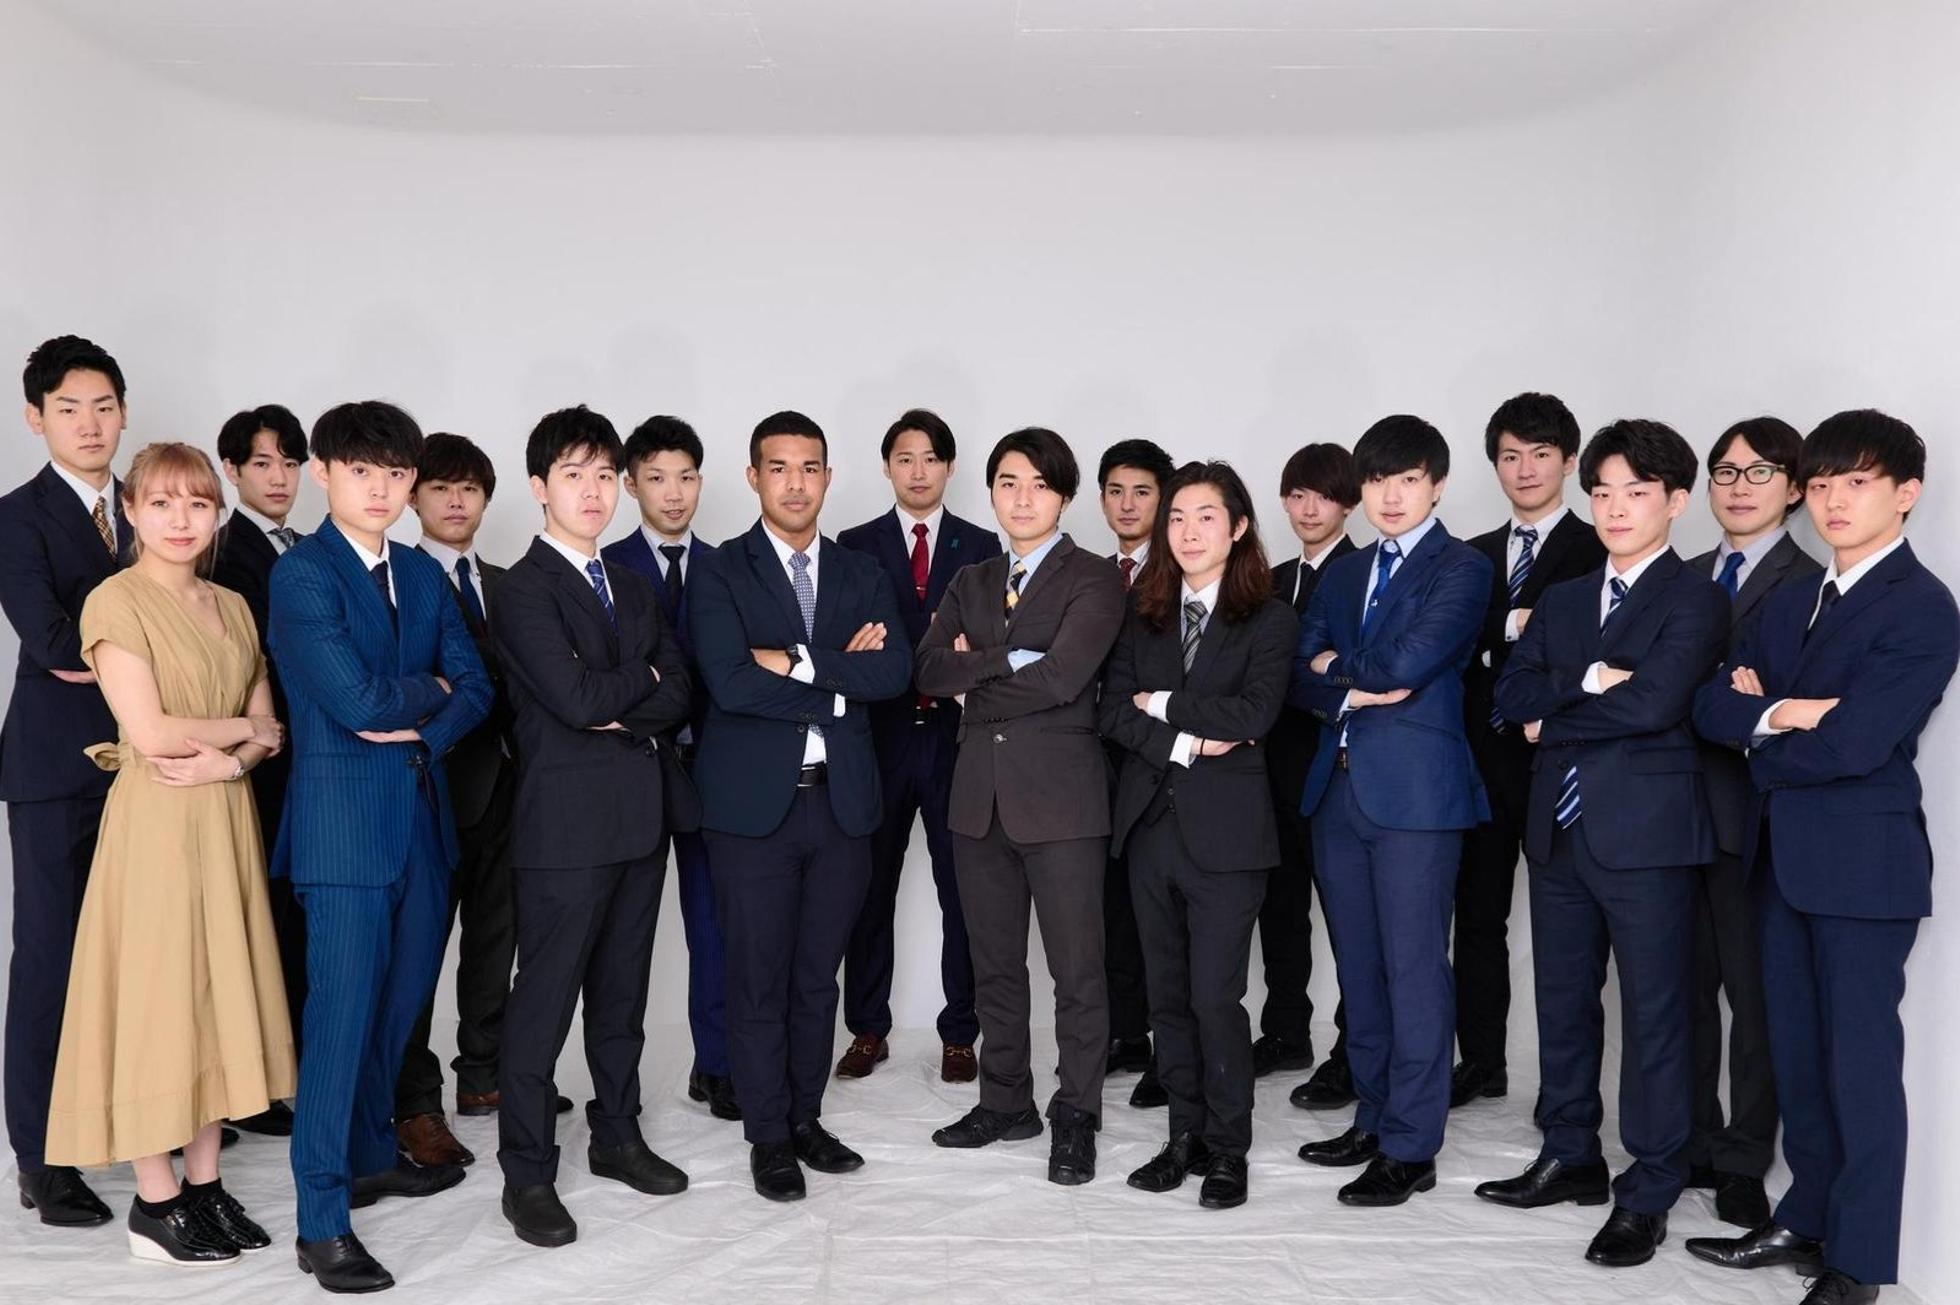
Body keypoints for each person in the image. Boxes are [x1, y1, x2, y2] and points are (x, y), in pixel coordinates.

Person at [1689, 410, 1958, 1305]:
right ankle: (1804, 1218)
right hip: (1782, 859)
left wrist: (1765, 724)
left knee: (1859, 1068)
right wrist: (1788, 712)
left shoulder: (1922, 605)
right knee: (1797, 1057)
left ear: (1906, 493)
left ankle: (1858, 1262)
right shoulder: (1797, 594)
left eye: (1858, 482)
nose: (1834, 500)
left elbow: (1857, 744)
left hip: (1864, 871)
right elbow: (1711, 706)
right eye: (1823, 483)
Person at [1478, 419, 1728, 1269]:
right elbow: (1510, 697)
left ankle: (1650, 1187)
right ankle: (1570, 1152)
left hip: (1649, 836)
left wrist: (1556, 718)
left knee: (1654, 1014)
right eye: (1603, 492)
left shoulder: (1695, 597)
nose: (1615, 508)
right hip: (1559, 829)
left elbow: (1656, 702)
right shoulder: (1563, 597)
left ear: (1676, 501)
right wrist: (1584, 680)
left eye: (1637, 492)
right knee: (1562, 1001)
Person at [44, 441, 294, 1266]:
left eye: (197, 502)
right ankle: (155, 1199)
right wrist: (245, 732)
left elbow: (271, 730)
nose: (180, 519)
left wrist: (235, 759)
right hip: (155, 820)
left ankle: (205, 1183)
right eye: (161, 502)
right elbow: (150, 732)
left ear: (217, 513)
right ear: (131, 511)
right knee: (159, 1002)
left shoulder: (235, 604)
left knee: (216, 995)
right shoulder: (114, 601)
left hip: (221, 811)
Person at [267, 400, 493, 1293]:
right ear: (325, 472)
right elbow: (355, 700)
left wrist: (425, 725)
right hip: (343, 838)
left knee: (397, 1016)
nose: (382, 489)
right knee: (339, 1024)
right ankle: (322, 1221)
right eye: (363, 471)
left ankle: (367, 1156)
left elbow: (475, 685)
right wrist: (426, 689)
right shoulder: (303, 575)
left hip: (422, 826)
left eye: (397, 473)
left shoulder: (423, 572)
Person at [688, 410, 911, 1202]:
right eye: (778, 467)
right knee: (758, 978)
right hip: (753, 813)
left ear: (827, 476)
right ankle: (768, 1135)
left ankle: (806, 1116)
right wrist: (838, 683)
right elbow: (728, 681)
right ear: (754, 477)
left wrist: (793, 661)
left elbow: (894, 672)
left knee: (818, 978)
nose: (795, 482)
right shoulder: (720, 569)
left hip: (841, 807)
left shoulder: (861, 572)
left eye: (810, 467)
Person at [492, 407, 696, 1247]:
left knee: (622, 998)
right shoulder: (520, 588)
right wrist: (634, 681)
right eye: (574, 474)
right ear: (539, 487)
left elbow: (678, 689)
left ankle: (617, 1134)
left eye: (605, 475)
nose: (594, 491)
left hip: (639, 822)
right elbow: (574, 700)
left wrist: (631, 689)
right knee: (542, 1006)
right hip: (563, 831)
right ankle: (527, 1171)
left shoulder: (635, 584)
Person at [916, 428, 1126, 1185]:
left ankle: (1077, 1114)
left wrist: (974, 678)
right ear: (992, 492)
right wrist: (1006, 658)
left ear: (1063, 495)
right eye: (1008, 482)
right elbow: (927, 670)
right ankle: (1006, 1101)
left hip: (1063, 805)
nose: (1023, 497)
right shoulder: (971, 577)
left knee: (1077, 972)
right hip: (979, 802)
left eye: (1039, 484)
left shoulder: (1094, 577)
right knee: (995, 966)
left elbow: (1065, 678)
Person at [1290, 415, 1489, 1208]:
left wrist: (1336, 667)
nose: (1392, 495)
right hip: (1338, 789)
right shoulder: (1344, 573)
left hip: (1416, 796)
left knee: (1413, 969)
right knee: (1360, 969)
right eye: (1377, 481)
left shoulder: (1462, 567)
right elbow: (1296, 672)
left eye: (1408, 479)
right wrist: (1350, 680)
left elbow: (1413, 658)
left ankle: (1411, 1144)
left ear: (1437, 484)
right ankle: (1372, 1117)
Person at [1099, 461, 1295, 1210]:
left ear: (1237, 526)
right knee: (1168, 998)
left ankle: (1228, 1147)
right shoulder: (1142, 611)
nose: (1187, 531)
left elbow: (1253, 715)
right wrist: (1186, 740)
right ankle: (1183, 1135)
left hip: (1229, 839)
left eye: (1205, 516)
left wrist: (1163, 703)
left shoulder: (1269, 618)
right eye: (1177, 516)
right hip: (1151, 827)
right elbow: (1113, 711)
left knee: (1217, 997)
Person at [1, 335, 130, 1228]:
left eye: (105, 406)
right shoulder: (17, 516)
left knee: (137, 953)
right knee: (51, 958)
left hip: (151, 764)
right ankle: (41, 1157)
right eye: (69, 408)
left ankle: (134, 1119)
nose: (90, 424)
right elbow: (52, 642)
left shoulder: (154, 505)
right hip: (55, 767)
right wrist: (152, 664)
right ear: (35, 417)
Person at [1680, 416, 1819, 1228]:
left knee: (1753, 997)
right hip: (1670, 811)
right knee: (1680, 989)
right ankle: (1694, 1139)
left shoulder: (1813, 581)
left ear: (1794, 488)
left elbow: (1792, 703)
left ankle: (1741, 1158)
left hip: (1753, 814)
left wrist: (1755, 703)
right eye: (1726, 472)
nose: (1739, 487)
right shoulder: (1682, 574)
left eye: (1760, 472)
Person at [835, 409, 999, 1083]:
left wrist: (952, 656)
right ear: (886, 466)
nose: (918, 470)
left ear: (950, 466)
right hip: (878, 740)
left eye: (931, 458)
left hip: (958, 741)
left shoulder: (983, 544)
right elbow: (848, 642)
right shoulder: (853, 544)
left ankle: (961, 1032)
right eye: (905, 458)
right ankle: (867, 1028)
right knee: (867, 888)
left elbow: (990, 644)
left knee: (964, 890)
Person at [1453, 392, 1605, 1111]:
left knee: (1565, 931)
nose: (1525, 469)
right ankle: (1481, 1061)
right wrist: (1517, 627)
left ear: (1569, 462)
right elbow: (1454, 645)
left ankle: (1564, 1089)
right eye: (1510, 456)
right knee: (1478, 917)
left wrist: (1503, 632)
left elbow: (1591, 648)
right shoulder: (1470, 555)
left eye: (1541, 454)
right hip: (1481, 761)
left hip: (1561, 761)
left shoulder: (1600, 546)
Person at [393, 432, 533, 1168]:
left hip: (511, 789)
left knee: (494, 940)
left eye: (470, 489)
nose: (456, 501)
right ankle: (414, 1102)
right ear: (413, 497)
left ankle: (483, 1076)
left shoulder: (510, 584)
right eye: (441, 488)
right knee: (416, 953)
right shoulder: (395, 578)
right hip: (430, 788)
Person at [603, 415, 735, 1121]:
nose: (674, 492)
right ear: (631, 485)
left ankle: (716, 1064)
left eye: (685, 477)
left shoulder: (730, 566)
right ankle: (613, 1089)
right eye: (656, 478)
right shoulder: (604, 564)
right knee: (624, 929)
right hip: (631, 768)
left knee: (717, 921)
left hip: (715, 770)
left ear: (701, 482)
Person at [211, 403, 310, 1138]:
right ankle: (253, 1087)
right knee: (260, 918)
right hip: (259, 762)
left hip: (306, 762)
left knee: (293, 918)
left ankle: (286, 1074)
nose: (279, 477)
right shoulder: (221, 551)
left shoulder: (304, 545)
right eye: (262, 463)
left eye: (290, 462)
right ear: (232, 470)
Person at [1260, 443, 1359, 1111]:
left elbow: (1352, 672)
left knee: (1351, 919)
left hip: (1338, 768)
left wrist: (1308, 674)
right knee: (1280, 908)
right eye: (1297, 495)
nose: (1309, 508)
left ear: (1348, 501)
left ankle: (1354, 1050)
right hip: (1268, 769)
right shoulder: (1269, 580)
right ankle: (1285, 1032)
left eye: (1322, 495)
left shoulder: (1364, 575)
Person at [1095, 437, 1177, 1106]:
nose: (1127, 504)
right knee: (1109, 904)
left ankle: (1170, 1049)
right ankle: (1124, 1033)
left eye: (1142, 492)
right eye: (1116, 491)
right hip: (1093, 762)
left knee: (1162, 908)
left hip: (1160, 760)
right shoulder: (1091, 575)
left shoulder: (1185, 573)